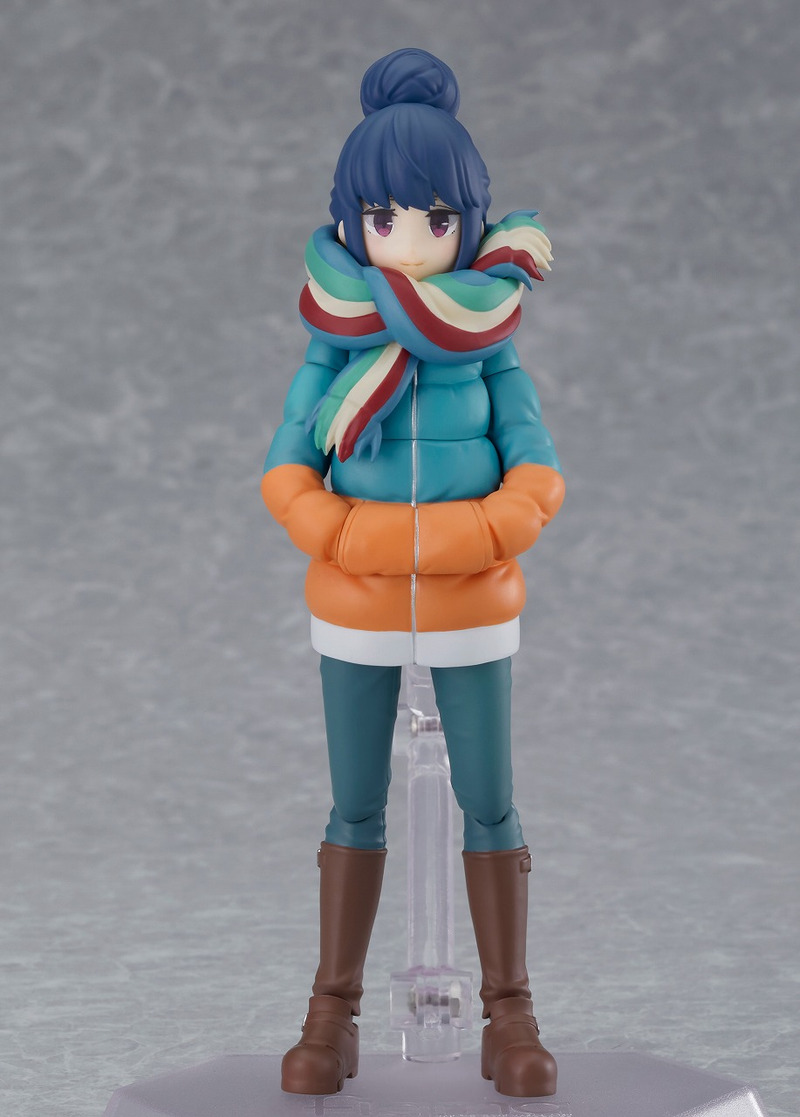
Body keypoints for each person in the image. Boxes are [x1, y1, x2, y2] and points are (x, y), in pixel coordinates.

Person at [261, 47, 564, 1098]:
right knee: (354, 804)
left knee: (488, 800)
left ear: (468, 221)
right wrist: (344, 534)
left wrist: (483, 529)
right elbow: (286, 469)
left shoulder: (487, 338)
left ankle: (509, 1012)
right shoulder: (332, 342)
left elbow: (536, 466)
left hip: (471, 599)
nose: (410, 240)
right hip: (358, 602)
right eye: (383, 216)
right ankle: (330, 1012)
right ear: (351, 221)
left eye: (436, 218)